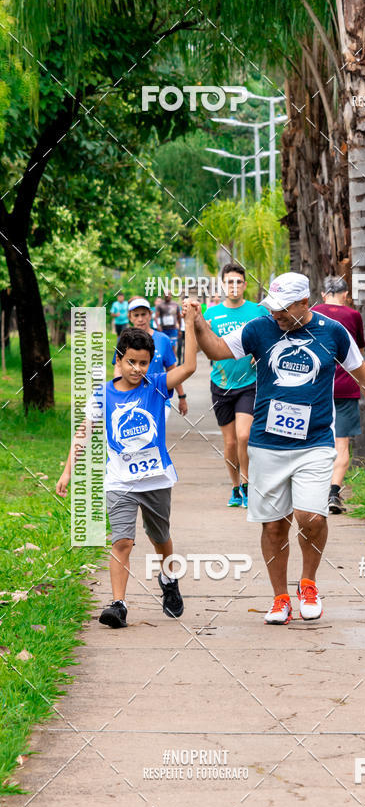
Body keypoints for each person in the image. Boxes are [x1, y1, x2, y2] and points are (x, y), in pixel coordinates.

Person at [191, 272, 365, 625]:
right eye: (273, 308)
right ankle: (279, 598)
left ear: (304, 303)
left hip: (314, 443)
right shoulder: (260, 328)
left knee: (311, 517)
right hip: (267, 444)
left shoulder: (332, 332)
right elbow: (216, 350)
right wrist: (196, 321)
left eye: (283, 309)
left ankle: (308, 584)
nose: (276, 315)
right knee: (273, 526)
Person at [56, 308, 200, 628]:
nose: (137, 368)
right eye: (131, 361)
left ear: (151, 363)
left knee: (160, 537)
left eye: (143, 362)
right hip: (120, 479)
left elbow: (189, 366)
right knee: (122, 541)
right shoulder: (102, 394)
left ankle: (168, 578)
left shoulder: (157, 385)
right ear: (118, 360)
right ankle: (118, 604)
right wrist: (68, 470)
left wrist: (190, 325)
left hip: (155, 478)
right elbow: (83, 432)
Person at [204, 263, 267, 508]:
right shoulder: (211, 314)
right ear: (222, 285)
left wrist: (259, 352)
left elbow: (271, 337)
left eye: (238, 282)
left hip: (249, 383)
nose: (234, 286)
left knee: (245, 435)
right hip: (220, 384)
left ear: (245, 285)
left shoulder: (257, 312)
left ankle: (247, 483)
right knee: (230, 442)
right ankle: (235, 488)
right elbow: (202, 346)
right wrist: (202, 331)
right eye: (229, 282)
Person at [313, 276, 365, 514]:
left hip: (316, 387)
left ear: (324, 294)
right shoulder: (353, 316)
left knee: (314, 442)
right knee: (341, 444)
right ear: (345, 294)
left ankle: (313, 491)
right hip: (345, 388)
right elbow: (358, 354)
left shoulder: (313, 312)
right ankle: (333, 493)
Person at [112, 298, 188, 418]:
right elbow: (118, 367)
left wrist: (182, 396)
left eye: (143, 314)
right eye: (136, 315)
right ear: (130, 317)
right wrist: (119, 394)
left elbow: (172, 371)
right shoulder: (124, 339)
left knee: (153, 433)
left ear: (150, 315)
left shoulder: (163, 339)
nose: (140, 319)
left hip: (158, 399)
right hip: (132, 399)